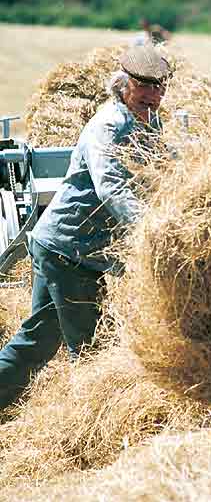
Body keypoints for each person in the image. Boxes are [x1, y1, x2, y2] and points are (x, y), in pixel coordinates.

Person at [0, 44, 169, 411]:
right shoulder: (108, 126)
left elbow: (162, 169)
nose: (154, 95)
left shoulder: (150, 123)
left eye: (160, 87)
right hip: (69, 249)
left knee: (38, 341)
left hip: (74, 250)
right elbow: (113, 187)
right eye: (145, 86)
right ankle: (88, 425)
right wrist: (151, 229)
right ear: (123, 85)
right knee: (91, 349)